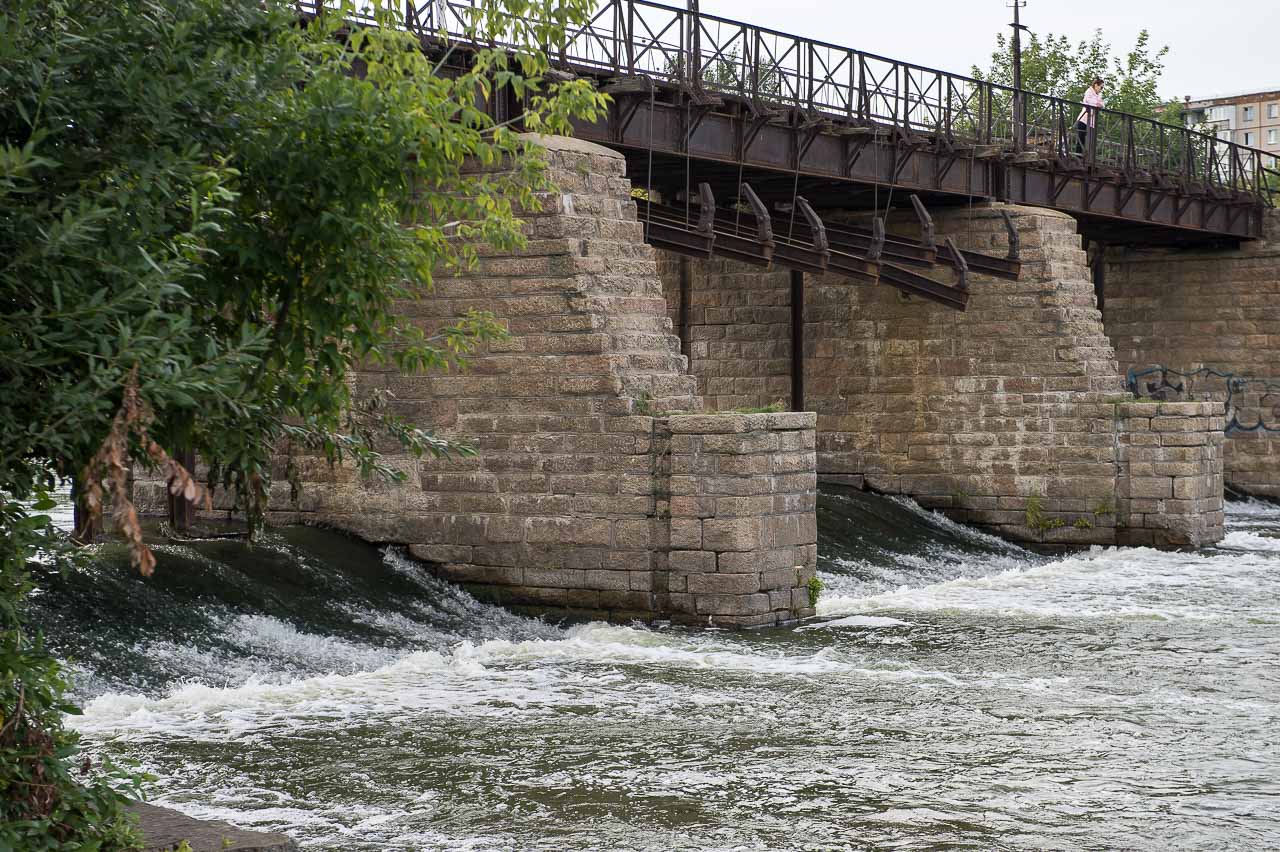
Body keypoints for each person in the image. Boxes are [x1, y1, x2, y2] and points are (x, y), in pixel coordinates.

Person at [1076, 77, 1105, 155]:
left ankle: (1088, 159)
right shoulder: (1089, 92)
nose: (1101, 89)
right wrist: (1098, 103)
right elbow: (1092, 103)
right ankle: (1079, 157)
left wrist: (1098, 104)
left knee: (1091, 142)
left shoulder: (1098, 95)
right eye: (1101, 87)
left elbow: (1102, 104)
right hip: (1083, 120)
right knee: (1081, 141)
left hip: (1092, 122)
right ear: (1096, 85)